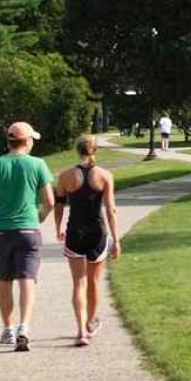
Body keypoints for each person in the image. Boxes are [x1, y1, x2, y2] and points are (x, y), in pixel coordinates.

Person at [0, 121, 55, 352]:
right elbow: (50, 201)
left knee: (4, 280)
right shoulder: (38, 164)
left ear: (9, 141)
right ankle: (24, 327)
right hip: (29, 229)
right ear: (27, 141)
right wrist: (40, 216)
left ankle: (8, 328)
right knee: (27, 280)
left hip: (2, 231)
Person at [53, 134, 120, 347]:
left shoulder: (65, 176)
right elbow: (111, 209)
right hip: (97, 233)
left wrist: (58, 228)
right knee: (94, 282)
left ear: (77, 150)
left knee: (78, 283)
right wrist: (116, 239)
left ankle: (81, 331)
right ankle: (90, 323)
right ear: (95, 150)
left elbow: (59, 205)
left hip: (75, 232)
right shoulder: (104, 175)